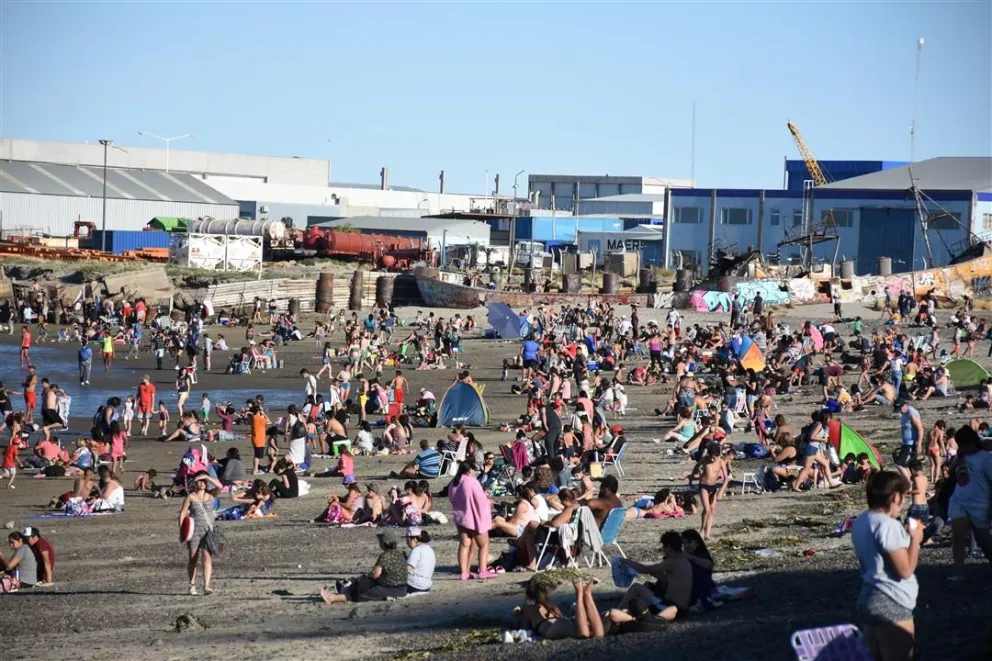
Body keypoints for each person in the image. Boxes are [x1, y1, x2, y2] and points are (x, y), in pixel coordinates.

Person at [852, 471, 921, 661]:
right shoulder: (888, 525)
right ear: (895, 497)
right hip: (892, 599)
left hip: (868, 595)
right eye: (903, 496)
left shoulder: (861, 520)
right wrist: (915, 540)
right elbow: (905, 570)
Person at [611, 531, 693, 626]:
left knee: (636, 587)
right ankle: (633, 610)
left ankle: (618, 612)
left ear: (669, 547)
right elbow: (666, 580)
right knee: (647, 585)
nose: (663, 550)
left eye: (664, 547)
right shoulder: (683, 560)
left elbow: (644, 569)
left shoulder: (673, 561)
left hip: (669, 606)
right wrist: (652, 572)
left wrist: (624, 561)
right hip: (680, 607)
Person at [947, 426, 992, 579]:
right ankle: (959, 573)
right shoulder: (961, 455)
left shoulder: (985, 458)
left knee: (983, 540)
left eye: (963, 445)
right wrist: (958, 461)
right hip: (959, 500)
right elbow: (951, 472)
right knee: (958, 536)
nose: (962, 447)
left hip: (980, 503)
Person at [319, 529, 410, 604]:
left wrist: (367, 576)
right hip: (402, 589)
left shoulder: (385, 556)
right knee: (364, 585)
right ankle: (343, 591)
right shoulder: (400, 554)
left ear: (383, 543)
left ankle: (333, 598)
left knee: (362, 593)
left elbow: (375, 575)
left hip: (388, 589)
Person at [449, 461, 496, 580]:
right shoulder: (472, 482)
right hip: (474, 518)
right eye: (474, 470)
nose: (475, 472)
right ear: (470, 470)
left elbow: (452, 499)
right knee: (484, 545)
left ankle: (464, 573)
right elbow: (480, 500)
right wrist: (488, 502)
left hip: (461, 518)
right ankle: (483, 571)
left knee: (464, 545)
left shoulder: (454, 482)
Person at [179, 472, 223, 596]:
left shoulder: (210, 495)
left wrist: (207, 476)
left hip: (208, 532)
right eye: (199, 481)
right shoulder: (191, 497)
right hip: (194, 532)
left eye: (204, 481)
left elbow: (220, 486)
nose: (202, 483)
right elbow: (182, 514)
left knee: (207, 558)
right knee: (193, 559)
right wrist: (182, 531)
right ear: (195, 483)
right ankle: (192, 585)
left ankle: (206, 586)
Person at [520, 578, 606, 640]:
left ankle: (579, 593)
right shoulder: (552, 606)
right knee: (598, 634)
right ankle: (587, 594)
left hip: (554, 628)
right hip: (563, 622)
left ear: (529, 597)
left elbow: (524, 631)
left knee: (583, 634)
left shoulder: (530, 609)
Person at [404, 526, 435, 595]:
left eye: (407, 540)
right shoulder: (429, 549)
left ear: (415, 539)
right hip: (426, 585)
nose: (407, 543)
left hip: (414, 585)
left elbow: (407, 569)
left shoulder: (416, 550)